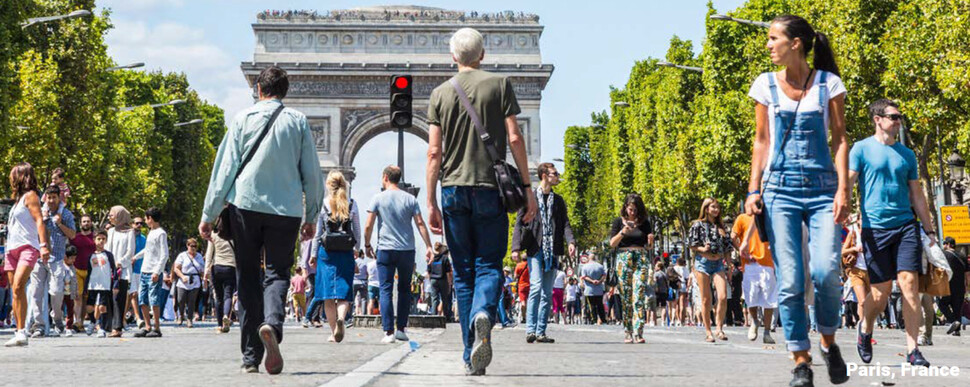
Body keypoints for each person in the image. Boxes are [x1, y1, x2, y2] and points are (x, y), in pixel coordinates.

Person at [744, 15, 850, 386]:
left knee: (825, 272)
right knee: (789, 281)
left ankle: (829, 341)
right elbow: (761, 141)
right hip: (779, 190)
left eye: (774, 39)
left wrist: (843, 190)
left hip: (823, 189)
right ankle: (801, 360)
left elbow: (839, 140)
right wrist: (753, 190)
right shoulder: (764, 86)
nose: (769, 45)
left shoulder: (828, 84)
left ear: (796, 44)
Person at [425, 27, 537, 376]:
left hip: (453, 191)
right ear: (483, 55)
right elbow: (515, 137)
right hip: (491, 188)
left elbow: (433, 152)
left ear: (453, 57)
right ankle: (483, 314)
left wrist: (429, 201)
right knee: (489, 265)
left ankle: (467, 352)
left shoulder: (440, 93)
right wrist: (527, 185)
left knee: (464, 274)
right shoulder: (500, 84)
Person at [199, 65, 324, 374]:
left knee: (248, 277)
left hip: (246, 206)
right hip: (286, 211)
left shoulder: (242, 119)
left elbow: (223, 171)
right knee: (278, 272)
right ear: (285, 91)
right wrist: (312, 215)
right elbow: (313, 174)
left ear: (258, 89)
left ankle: (250, 357)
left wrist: (209, 214)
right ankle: (272, 324)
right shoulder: (298, 122)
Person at [850, 99, 938, 368]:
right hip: (875, 229)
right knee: (881, 293)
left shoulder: (907, 155)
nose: (898, 120)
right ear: (878, 119)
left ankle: (913, 350)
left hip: (905, 226)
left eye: (900, 116)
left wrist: (929, 228)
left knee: (910, 286)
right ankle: (865, 328)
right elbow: (848, 184)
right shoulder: (861, 149)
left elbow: (917, 194)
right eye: (893, 116)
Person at [363, 166, 434, 344]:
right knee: (404, 290)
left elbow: (368, 225)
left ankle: (388, 332)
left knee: (385, 289)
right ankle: (401, 329)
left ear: (385, 177)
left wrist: (366, 244)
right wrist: (428, 246)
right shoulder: (410, 199)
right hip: (406, 250)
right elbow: (420, 223)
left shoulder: (377, 198)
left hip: (385, 249)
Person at [512, 162, 576, 343]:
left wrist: (571, 242)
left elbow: (565, 224)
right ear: (544, 176)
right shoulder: (529, 198)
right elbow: (518, 223)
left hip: (552, 251)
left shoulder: (559, 201)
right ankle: (530, 330)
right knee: (536, 287)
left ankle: (541, 331)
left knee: (547, 292)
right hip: (535, 249)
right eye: (555, 173)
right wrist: (515, 248)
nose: (558, 176)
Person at [311, 171, 361, 343]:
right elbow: (357, 230)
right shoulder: (352, 204)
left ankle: (334, 331)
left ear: (328, 185)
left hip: (327, 253)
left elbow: (318, 234)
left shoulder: (323, 204)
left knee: (327, 295)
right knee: (344, 291)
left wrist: (312, 255)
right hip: (346, 252)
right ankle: (341, 318)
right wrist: (357, 250)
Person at [3, 163, 49, 347]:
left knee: (18, 285)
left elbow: (39, 220)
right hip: (11, 249)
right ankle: (19, 331)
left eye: (13, 175)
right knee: (15, 291)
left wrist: (44, 245)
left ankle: (23, 332)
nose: (11, 178)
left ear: (21, 177)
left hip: (28, 247)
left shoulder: (31, 196)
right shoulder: (17, 201)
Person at [28, 184, 76, 338]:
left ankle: (57, 318)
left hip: (57, 258)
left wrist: (60, 223)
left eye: (54, 197)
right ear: (45, 198)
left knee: (56, 291)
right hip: (40, 257)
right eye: (48, 198)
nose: (51, 200)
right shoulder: (39, 213)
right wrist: (42, 219)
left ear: (59, 198)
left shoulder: (66, 214)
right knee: (36, 292)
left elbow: (73, 235)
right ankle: (39, 325)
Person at [609, 193, 655, 343]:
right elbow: (612, 244)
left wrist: (650, 242)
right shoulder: (618, 222)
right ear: (625, 208)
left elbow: (648, 246)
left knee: (639, 293)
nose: (632, 213)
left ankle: (638, 331)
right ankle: (628, 330)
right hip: (624, 258)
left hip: (641, 257)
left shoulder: (645, 223)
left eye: (635, 210)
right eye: (630, 209)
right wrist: (623, 232)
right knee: (626, 296)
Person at [732, 212, 777, 344]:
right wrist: (741, 250)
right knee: (750, 298)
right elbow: (733, 236)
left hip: (767, 262)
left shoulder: (769, 216)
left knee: (769, 299)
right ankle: (755, 321)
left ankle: (767, 332)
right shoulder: (742, 218)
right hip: (749, 264)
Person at [133, 207, 168, 339]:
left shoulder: (161, 233)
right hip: (144, 271)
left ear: (150, 218)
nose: (145, 221)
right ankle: (147, 327)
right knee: (142, 300)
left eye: (146, 218)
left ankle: (157, 328)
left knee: (154, 300)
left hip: (153, 272)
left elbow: (164, 254)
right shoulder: (151, 233)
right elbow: (147, 250)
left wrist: (157, 271)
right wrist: (135, 257)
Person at [106, 206, 136, 337]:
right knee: (108, 297)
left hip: (122, 270)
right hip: (109, 269)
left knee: (119, 298)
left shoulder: (130, 232)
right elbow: (108, 248)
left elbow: (130, 251)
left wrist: (120, 262)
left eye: (112, 215)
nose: (110, 217)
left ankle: (117, 327)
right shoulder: (111, 231)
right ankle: (107, 324)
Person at [203, 219, 236, 333]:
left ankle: (218, 325)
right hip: (231, 267)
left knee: (218, 297)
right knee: (228, 295)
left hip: (216, 267)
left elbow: (209, 254)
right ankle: (226, 315)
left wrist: (206, 270)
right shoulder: (234, 235)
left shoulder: (214, 235)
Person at [86, 231, 116, 337]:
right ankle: (94, 322)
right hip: (92, 284)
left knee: (102, 307)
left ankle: (102, 328)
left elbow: (114, 269)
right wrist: (86, 286)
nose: (101, 241)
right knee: (89, 307)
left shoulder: (108, 255)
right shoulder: (91, 255)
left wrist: (115, 283)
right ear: (94, 240)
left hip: (105, 285)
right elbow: (88, 272)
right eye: (99, 239)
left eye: (103, 239)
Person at [69, 214, 96, 332]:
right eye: (84, 221)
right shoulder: (75, 237)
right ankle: (77, 321)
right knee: (77, 297)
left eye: (88, 221)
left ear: (91, 223)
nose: (86, 223)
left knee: (86, 298)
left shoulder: (95, 237)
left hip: (91, 271)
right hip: (77, 270)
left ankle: (82, 322)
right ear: (80, 224)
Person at [174, 238, 205, 328]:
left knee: (191, 301)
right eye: (192, 246)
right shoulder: (182, 255)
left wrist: (205, 278)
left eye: (195, 246)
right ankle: (181, 315)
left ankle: (189, 319)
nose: (193, 248)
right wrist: (182, 276)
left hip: (195, 281)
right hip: (183, 280)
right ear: (187, 246)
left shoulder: (199, 256)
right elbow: (176, 268)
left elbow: (202, 270)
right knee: (181, 300)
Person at [940, 237, 967, 336]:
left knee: (941, 303)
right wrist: (967, 286)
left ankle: (952, 321)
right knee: (957, 308)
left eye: (944, 244)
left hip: (947, 285)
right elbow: (967, 274)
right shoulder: (962, 256)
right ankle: (957, 330)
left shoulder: (944, 254)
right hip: (960, 286)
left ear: (947, 244)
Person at [427, 243, 454, 321]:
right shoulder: (445, 258)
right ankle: (446, 317)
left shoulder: (431, 258)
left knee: (434, 299)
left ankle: (433, 317)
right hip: (442, 280)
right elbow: (448, 272)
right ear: (441, 248)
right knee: (444, 299)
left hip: (433, 280)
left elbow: (428, 271)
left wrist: (430, 280)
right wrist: (449, 283)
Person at [128, 217, 147, 329]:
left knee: (137, 295)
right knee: (133, 294)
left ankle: (132, 316)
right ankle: (137, 317)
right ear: (132, 224)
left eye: (141, 223)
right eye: (137, 223)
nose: (139, 225)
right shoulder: (128, 237)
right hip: (129, 269)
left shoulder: (144, 238)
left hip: (140, 269)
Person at [580, 253, 607, 325]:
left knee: (592, 305)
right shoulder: (600, 266)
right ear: (595, 258)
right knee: (600, 305)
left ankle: (594, 320)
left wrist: (592, 281)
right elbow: (604, 275)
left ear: (588, 258)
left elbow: (584, 277)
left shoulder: (585, 267)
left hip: (589, 290)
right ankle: (603, 320)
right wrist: (599, 281)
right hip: (599, 289)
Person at [673, 257, 691, 326]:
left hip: (675, 285)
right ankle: (682, 320)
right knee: (682, 304)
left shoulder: (674, 268)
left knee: (676, 304)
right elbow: (687, 278)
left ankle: (677, 320)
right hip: (683, 285)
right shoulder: (685, 269)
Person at [513, 255, 529, 323]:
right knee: (531, 301)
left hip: (521, 285)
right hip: (530, 285)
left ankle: (524, 317)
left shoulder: (519, 265)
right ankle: (531, 316)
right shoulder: (530, 265)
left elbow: (515, 276)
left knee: (523, 302)